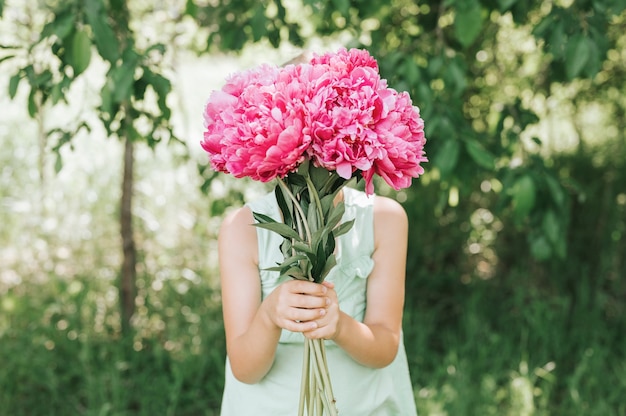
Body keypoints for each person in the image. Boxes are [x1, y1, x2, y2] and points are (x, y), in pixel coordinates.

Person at [218, 184, 418, 415]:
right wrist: (268, 316)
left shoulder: (384, 219)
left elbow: (385, 348)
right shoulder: (241, 229)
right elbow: (244, 369)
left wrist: (340, 326)